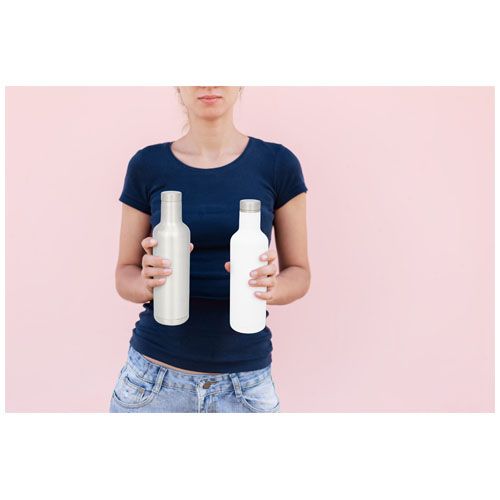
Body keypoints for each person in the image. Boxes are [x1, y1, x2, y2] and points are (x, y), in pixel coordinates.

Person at [109, 86, 310, 412]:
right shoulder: (147, 165)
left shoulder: (277, 164)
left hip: (246, 386)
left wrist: (272, 286)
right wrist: (146, 281)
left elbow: (299, 273)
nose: (208, 82)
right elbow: (124, 274)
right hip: (152, 382)